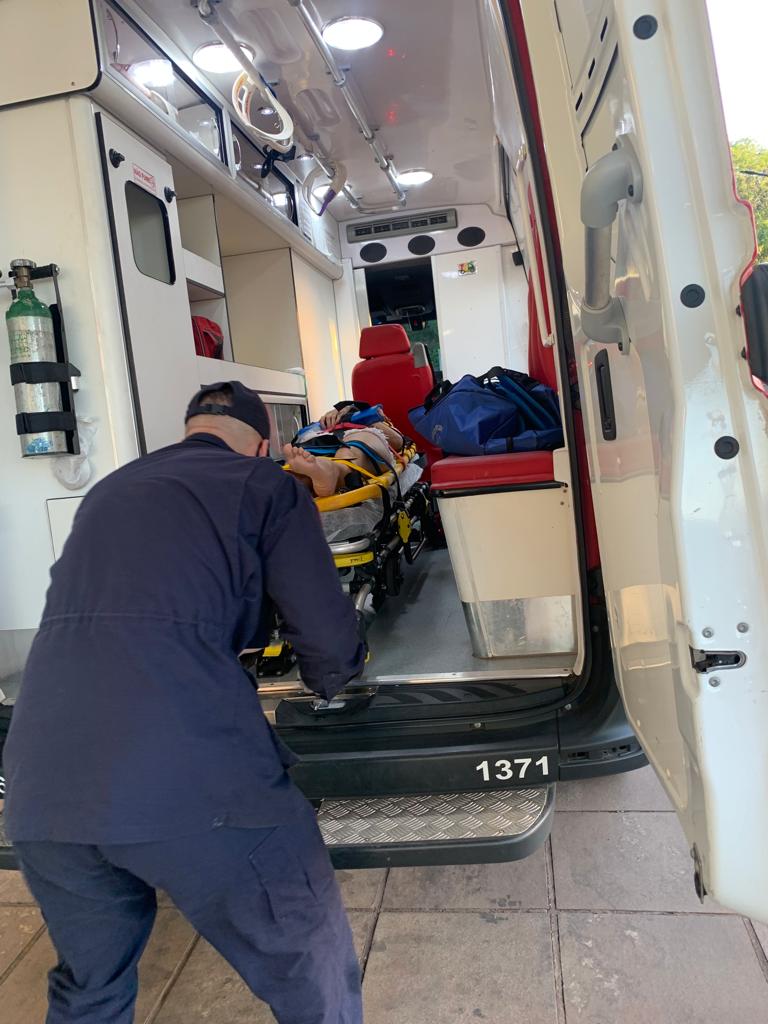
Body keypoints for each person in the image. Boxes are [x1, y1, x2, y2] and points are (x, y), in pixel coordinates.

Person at [3, 381, 366, 1024]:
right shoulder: (265, 485)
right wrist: (336, 676)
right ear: (263, 446)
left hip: (42, 789)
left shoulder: (110, 489)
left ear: (191, 429)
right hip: (193, 780)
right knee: (308, 960)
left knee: (91, 990)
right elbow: (326, 639)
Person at [283, 399, 406, 498]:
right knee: (303, 467)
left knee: (346, 452)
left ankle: (334, 471)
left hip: (357, 437)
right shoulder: (319, 424)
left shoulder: (374, 420)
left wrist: (362, 416)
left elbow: (398, 442)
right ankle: (305, 478)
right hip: (321, 442)